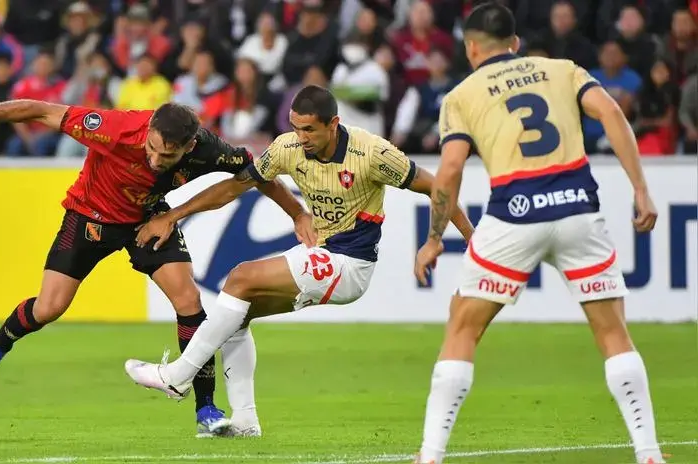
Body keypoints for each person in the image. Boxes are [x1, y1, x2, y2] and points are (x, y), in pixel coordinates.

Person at [0, 94, 312, 437]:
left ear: (189, 146)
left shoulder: (209, 149)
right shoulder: (115, 129)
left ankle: (206, 409)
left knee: (189, 301)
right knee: (50, 307)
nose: (155, 160)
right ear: (147, 131)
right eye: (151, 149)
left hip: (147, 220)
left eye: (167, 157)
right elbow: (42, 110)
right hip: (89, 217)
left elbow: (257, 173)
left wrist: (296, 212)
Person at [123, 85, 475, 436]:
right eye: (295, 127)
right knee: (237, 312)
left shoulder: (372, 153)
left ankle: (177, 375)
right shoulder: (287, 148)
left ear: (333, 123)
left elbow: (438, 185)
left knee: (240, 277)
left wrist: (453, 240)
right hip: (321, 253)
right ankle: (245, 421)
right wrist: (173, 216)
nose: (301, 137)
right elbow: (233, 187)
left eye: (309, 129)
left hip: (350, 264)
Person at [410, 4, 663, 464]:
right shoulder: (562, 69)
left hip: (514, 214)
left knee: (463, 327)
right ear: (515, 43)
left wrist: (433, 238)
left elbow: (449, 170)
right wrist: (641, 190)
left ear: (470, 48)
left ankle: (430, 456)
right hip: (576, 209)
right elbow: (610, 114)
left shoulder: (461, 95)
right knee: (612, 333)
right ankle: (649, 453)